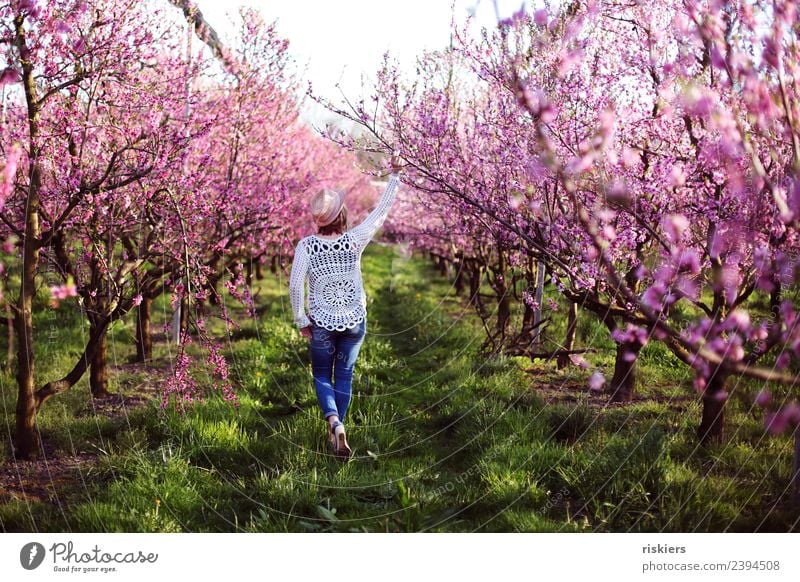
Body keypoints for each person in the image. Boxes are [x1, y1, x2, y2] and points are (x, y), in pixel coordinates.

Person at [289, 154, 403, 460]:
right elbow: (379, 214)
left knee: (322, 375)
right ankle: (339, 429)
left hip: (322, 321)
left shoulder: (307, 246)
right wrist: (394, 176)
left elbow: (294, 284)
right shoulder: (354, 240)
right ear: (342, 214)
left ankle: (334, 423)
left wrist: (301, 320)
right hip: (354, 320)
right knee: (345, 376)